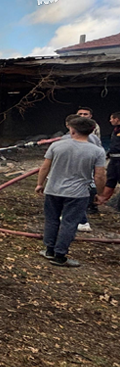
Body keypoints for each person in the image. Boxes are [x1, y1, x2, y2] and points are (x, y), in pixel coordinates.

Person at [35, 116, 106, 267]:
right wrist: (100, 194)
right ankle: (60, 256)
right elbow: (100, 175)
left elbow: (45, 167)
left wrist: (40, 184)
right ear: (92, 131)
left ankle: (49, 250)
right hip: (78, 193)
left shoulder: (57, 146)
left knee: (52, 220)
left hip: (53, 189)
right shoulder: (97, 151)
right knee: (69, 223)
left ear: (72, 130)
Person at [96, 111, 120, 206]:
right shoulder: (116, 130)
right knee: (111, 178)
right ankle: (102, 199)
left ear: (117, 119)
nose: (110, 121)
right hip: (113, 159)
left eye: (111, 118)